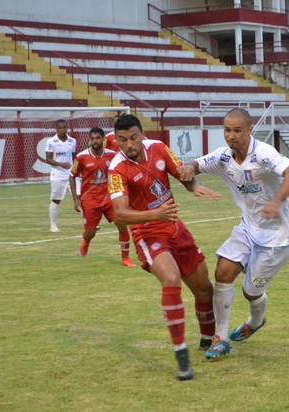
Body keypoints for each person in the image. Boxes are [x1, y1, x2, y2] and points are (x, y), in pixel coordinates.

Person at [177, 108, 289, 361]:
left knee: (251, 292)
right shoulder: (223, 157)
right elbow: (194, 165)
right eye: (227, 130)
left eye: (237, 130)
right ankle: (221, 338)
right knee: (223, 271)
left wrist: (276, 201)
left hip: (278, 237)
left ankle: (256, 320)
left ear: (249, 129)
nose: (231, 136)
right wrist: (190, 173)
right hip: (248, 228)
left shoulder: (264, 153)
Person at [107, 114, 220, 381]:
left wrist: (194, 185)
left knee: (204, 288)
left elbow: (181, 173)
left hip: (174, 227)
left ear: (141, 134)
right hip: (147, 233)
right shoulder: (116, 168)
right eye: (122, 140)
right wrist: (155, 214)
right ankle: (181, 354)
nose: (129, 144)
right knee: (171, 279)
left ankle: (208, 340)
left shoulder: (158, 147)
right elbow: (120, 215)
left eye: (133, 137)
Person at [69, 127, 135, 267]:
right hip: (90, 200)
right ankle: (86, 241)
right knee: (90, 232)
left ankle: (126, 258)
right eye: (92, 138)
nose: (95, 141)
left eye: (98, 138)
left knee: (122, 225)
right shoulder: (81, 157)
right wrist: (76, 199)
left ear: (104, 139)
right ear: (89, 140)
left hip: (109, 198)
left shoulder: (112, 155)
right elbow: (72, 176)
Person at [45, 119, 77, 232]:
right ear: (56, 129)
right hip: (57, 175)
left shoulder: (72, 141)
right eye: (60, 128)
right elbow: (48, 159)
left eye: (64, 127)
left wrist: (77, 170)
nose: (62, 130)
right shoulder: (51, 142)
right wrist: (61, 164)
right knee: (56, 200)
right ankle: (53, 225)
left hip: (71, 175)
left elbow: (74, 158)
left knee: (80, 197)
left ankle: (89, 223)